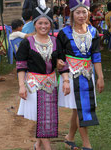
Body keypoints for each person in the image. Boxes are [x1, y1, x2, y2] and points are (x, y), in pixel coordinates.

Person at [16, 7, 70, 150]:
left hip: (51, 84)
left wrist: (65, 80)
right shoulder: (27, 43)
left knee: (47, 118)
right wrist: (21, 85)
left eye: (46, 23)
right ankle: (47, 148)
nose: (43, 26)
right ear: (34, 24)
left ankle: (37, 145)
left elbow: (63, 64)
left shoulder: (55, 41)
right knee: (41, 117)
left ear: (51, 24)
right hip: (34, 85)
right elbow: (21, 66)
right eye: (40, 23)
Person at [56, 0, 104, 150]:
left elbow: (95, 56)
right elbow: (58, 54)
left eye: (84, 12)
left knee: (79, 108)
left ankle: (69, 138)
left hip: (88, 75)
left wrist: (100, 77)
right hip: (70, 76)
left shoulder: (94, 32)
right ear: (72, 14)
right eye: (78, 12)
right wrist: (58, 61)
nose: (81, 15)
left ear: (88, 13)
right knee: (81, 107)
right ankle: (86, 144)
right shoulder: (64, 33)